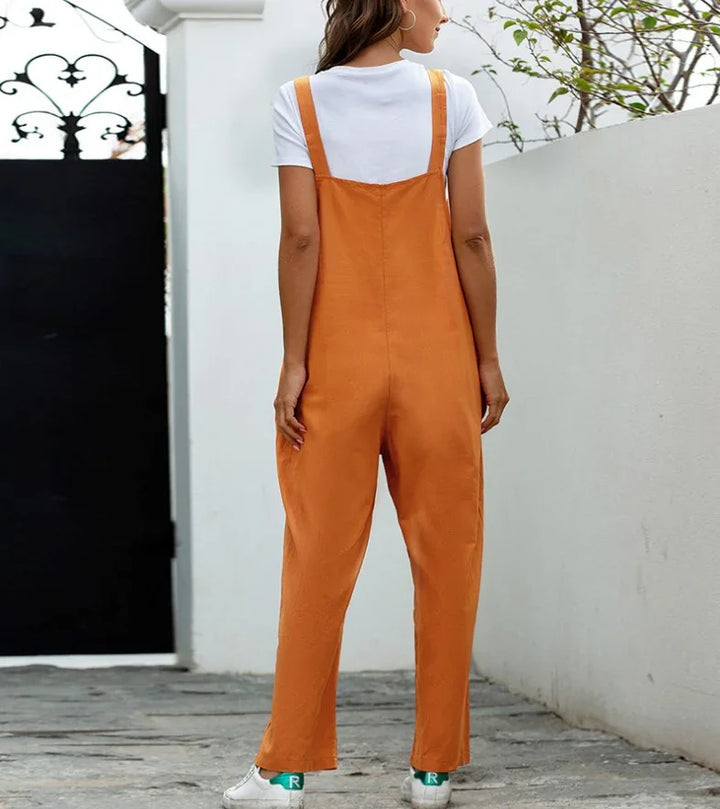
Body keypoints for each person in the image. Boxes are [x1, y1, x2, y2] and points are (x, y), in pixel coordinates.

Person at [222, 1, 509, 807]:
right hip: (437, 358)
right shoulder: (453, 98)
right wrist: (486, 358)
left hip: (337, 364)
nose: (444, 13)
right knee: (447, 554)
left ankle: (283, 768)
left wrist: (293, 363)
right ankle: (432, 769)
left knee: (316, 555)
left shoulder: (300, 101)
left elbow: (302, 239)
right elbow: (473, 236)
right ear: (394, 3)